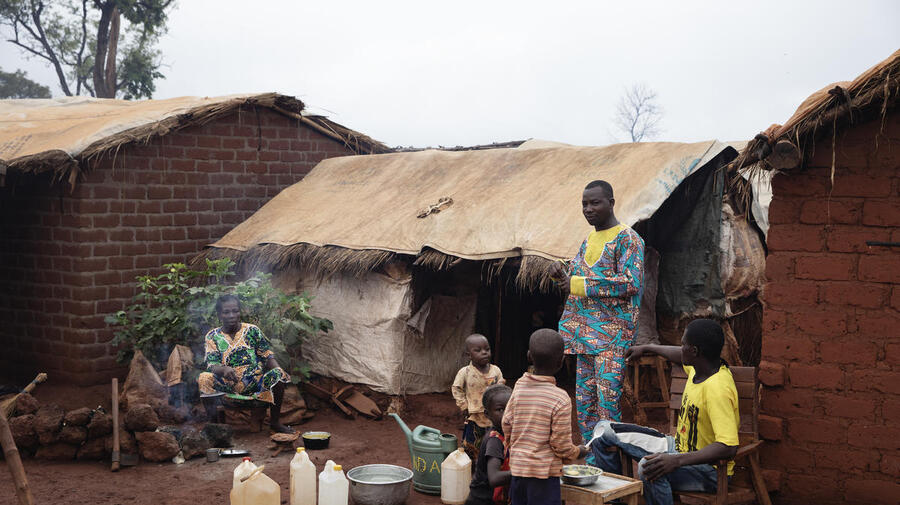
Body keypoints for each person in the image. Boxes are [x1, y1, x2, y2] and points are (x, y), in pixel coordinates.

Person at [589, 319, 740, 505]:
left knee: (648, 467)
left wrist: (675, 461)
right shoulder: (699, 366)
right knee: (604, 431)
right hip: (677, 447)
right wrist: (647, 347)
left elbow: (728, 447)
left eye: (684, 344)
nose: (680, 347)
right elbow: (677, 354)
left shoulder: (718, 389)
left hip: (709, 471)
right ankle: (614, 499)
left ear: (694, 351)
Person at [552, 180, 645, 443]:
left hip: (612, 340)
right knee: (585, 407)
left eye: (595, 202)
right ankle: (593, 465)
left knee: (608, 407)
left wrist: (577, 284)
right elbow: (576, 278)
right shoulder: (588, 240)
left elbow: (631, 282)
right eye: (584, 204)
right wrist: (562, 275)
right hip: (584, 339)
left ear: (611, 203)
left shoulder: (628, 239)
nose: (588, 209)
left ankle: (612, 471)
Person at [502, 329, 588, 505]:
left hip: (518, 471)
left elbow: (507, 422)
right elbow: (561, 446)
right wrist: (578, 452)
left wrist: (514, 447)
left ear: (529, 357)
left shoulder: (519, 387)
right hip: (544, 477)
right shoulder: (560, 398)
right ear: (561, 362)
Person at [198, 294, 294, 433]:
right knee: (204, 378)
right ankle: (214, 427)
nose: (232, 315)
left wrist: (279, 370)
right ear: (219, 314)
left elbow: (267, 355)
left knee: (278, 373)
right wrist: (224, 370)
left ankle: (275, 423)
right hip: (227, 386)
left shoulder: (252, 330)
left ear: (240, 312)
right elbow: (212, 365)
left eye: (235, 311)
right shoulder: (212, 336)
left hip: (255, 384)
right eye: (226, 312)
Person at [452, 334, 505, 461]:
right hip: (474, 417)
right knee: (470, 446)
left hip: (493, 418)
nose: (484, 353)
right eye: (478, 350)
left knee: (493, 445)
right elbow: (456, 388)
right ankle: (471, 470)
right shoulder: (465, 372)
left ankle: (490, 467)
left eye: (487, 349)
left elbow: (501, 390)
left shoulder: (496, 371)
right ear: (469, 355)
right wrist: (463, 405)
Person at [465, 383, 512, 505]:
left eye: (511, 408)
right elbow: (494, 478)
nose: (507, 414)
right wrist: (525, 471)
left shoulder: (508, 435)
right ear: (487, 414)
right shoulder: (495, 441)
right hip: (482, 500)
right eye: (500, 409)